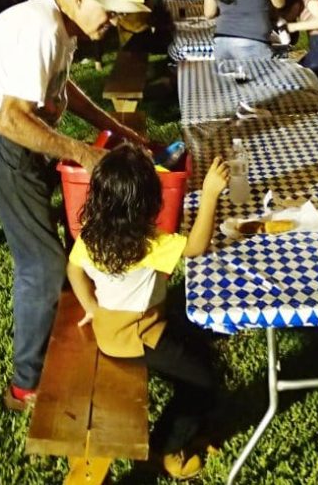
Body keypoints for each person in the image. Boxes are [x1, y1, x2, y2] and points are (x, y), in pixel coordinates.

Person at [0, 0, 151, 411]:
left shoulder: (58, 26)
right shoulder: (45, 30)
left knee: (75, 238)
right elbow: (12, 120)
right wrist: (86, 154)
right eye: (108, 9)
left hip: (20, 140)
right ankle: (25, 385)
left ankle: (79, 324)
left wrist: (121, 131)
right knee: (41, 265)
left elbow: (62, 91)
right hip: (4, 144)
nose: (113, 20)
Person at [68, 145, 228, 479]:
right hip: (138, 338)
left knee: (195, 348)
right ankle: (164, 448)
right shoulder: (148, 244)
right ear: (147, 203)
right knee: (201, 383)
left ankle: (192, 429)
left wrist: (92, 307)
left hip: (113, 331)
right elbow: (197, 247)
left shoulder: (92, 235)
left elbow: (73, 270)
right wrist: (210, 194)